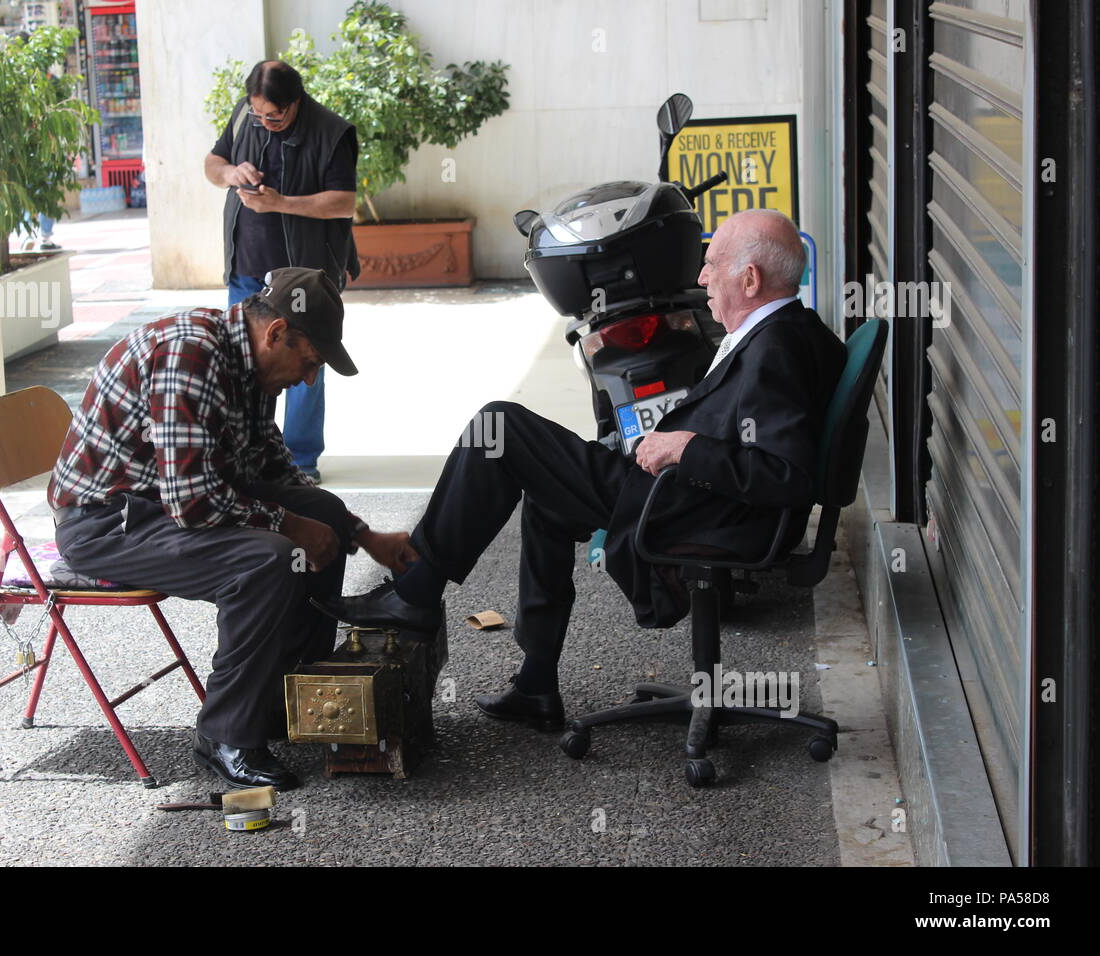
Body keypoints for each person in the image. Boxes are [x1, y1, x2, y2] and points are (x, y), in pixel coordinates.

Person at [315, 210, 846, 732]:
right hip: (686, 495)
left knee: (500, 426)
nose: (701, 276)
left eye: (712, 264)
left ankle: (416, 591)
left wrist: (684, 447)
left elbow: (785, 474)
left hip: (688, 507)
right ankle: (536, 684)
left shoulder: (775, 347)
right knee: (546, 499)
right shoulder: (789, 331)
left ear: (749, 279)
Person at [48, 267, 416, 791]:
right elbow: (193, 502)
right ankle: (226, 733)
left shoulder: (251, 363)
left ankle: (290, 701)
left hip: (165, 503)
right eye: (309, 363)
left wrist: (359, 532)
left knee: (325, 514)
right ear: (276, 333)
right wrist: (290, 526)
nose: (309, 379)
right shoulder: (189, 355)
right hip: (109, 522)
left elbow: (269, 462)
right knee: (265, 561)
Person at [205, 60, 360, 481]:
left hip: (304, 276)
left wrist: (282, 203)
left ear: (296, 103)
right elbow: (212, 163)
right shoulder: (245, 116)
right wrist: (230, 172)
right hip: (246, 267)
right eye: (258, 114)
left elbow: (344, 202)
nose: (264, 122)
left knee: (305, 359)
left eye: (273, 115)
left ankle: (301, 459)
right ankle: (247, 454)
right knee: (242, 362)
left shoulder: (330, 133)